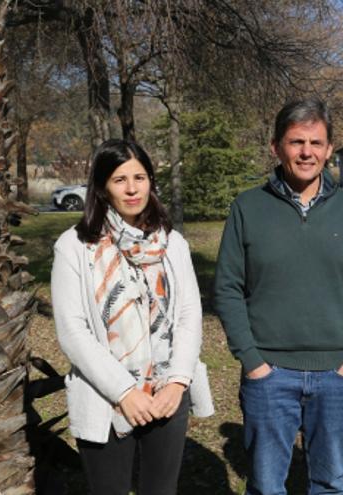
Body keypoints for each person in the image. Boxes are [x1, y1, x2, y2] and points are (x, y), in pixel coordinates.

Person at [214, 98, 343, 494]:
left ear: (328, 150)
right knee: (267, 485)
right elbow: (227, 288)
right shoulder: (248, 207)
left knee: (330, 482)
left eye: (316, 142)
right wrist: (252, 360)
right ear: (276, 147)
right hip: (269, 373)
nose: (306, 152)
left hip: (337, 374)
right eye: (296, 142)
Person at [51, 139, 214, 495]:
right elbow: (72, 330)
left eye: (139, 177)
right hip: (105, 396)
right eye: (119, 179)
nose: (131, 189)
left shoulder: (172, 243)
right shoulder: (75, 247)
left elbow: (189, 314)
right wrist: (124, 391)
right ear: (102, 188)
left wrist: (177, 381)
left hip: (165, 392)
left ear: (150, 181)